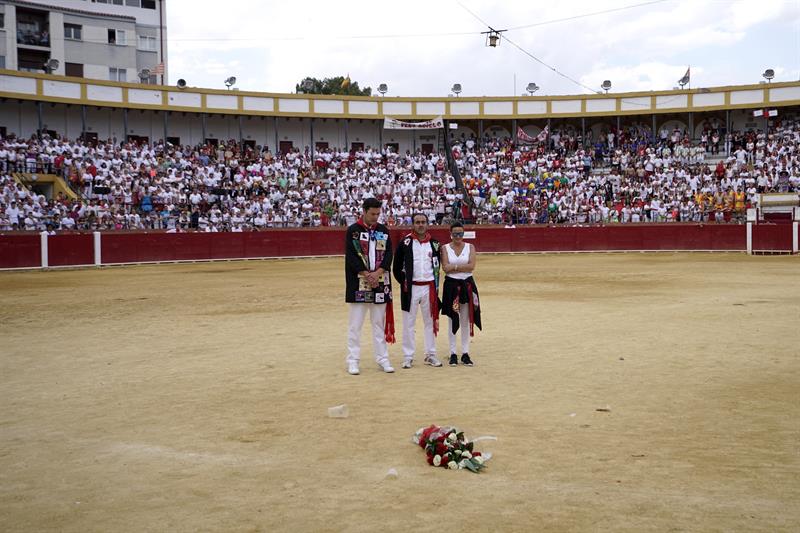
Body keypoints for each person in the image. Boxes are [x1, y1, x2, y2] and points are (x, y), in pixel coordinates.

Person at [344, 197, 395, 375]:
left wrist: (378, 273)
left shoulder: (383, 230)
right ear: (364, 211)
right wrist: (367, 274)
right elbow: (351, 257)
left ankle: (383, 359)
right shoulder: (353, 231)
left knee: (378, 324)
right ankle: (353, 360)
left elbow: (389, 254)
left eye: (378, 214)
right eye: (372, 214)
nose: (375, 217)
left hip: (380, 282)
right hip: (359, 282)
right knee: (355, 324)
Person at [392, 213, 442, 369]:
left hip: (429, 288)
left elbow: (437, 266)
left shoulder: (434, 244)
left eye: (423, 222)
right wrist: (405, 283)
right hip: (411, 288)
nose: (420, 225)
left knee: (430, 322)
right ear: (412, 224)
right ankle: (408, 356)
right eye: (417, 222)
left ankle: (431, 354)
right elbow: (396, 267)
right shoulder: (405, 243)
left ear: (427, 224)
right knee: (408, 323)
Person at [440, 222, 482, 366]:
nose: (458, 236)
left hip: (467, 285)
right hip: (452, 285)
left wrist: (455, 267)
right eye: (455, 234)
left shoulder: (470, 247)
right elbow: (445, 268)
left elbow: (472, 266)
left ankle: (465, 352)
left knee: (465, 319)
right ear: (450, 234)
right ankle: (453, 353)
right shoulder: (445, 248)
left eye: (460, 234)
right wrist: (461, 268)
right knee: (452, 319)